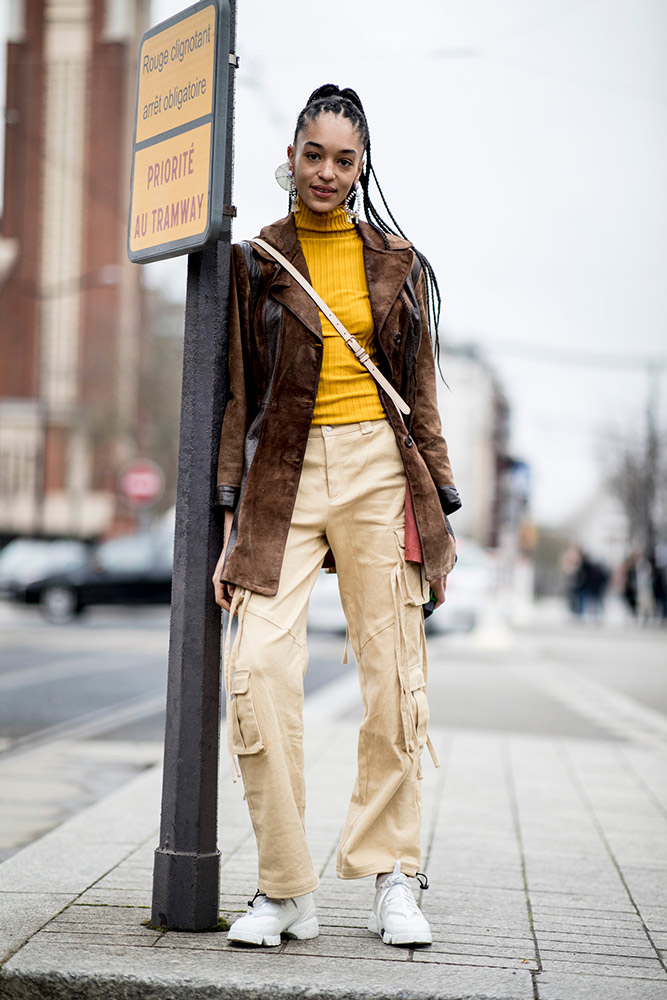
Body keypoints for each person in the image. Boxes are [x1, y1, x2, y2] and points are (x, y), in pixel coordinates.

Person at [212, 84, 461, 949]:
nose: (326, 171)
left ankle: (394, 876)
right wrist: (227, 518)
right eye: (313, 153)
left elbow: (420, 398)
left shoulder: (397, 262)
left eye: (343, 158)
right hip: (282, 477)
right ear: (291, 153)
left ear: (362, 166)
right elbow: (236, 396)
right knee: (254, 670)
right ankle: (286, 889)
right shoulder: (255, 263)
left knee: (394, 682)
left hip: (377, 472)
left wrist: (438, 512)